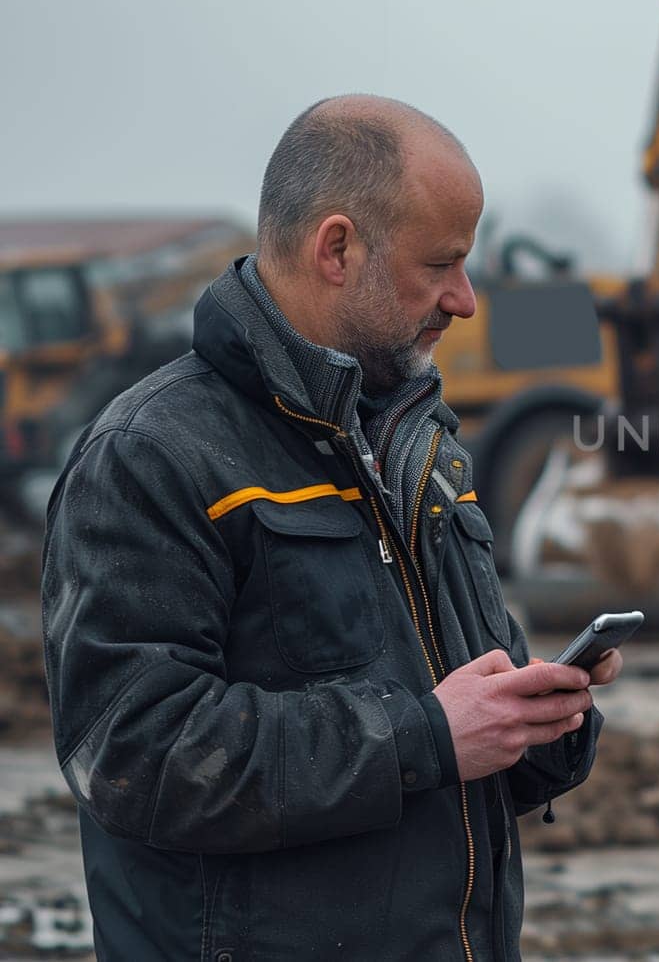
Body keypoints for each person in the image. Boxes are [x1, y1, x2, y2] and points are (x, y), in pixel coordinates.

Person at [41, 95, 621, 960]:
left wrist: (539, 721)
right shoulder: (152, 457)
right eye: (442, 264)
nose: (465, 299)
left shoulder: (424, 450)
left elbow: (461, 730)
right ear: (338, 248)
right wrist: (426, 735)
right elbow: (134, 754)